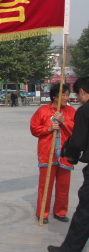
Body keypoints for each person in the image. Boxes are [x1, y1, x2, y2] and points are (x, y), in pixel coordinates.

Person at [48, 76, 89, 252]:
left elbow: (78, 140)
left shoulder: (83, 111)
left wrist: (70, 154)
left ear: (82, 91)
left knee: (85, 211)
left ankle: (70, 251)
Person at [30, 83, 75, 224]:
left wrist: (64, 121)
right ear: (55, 96)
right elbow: (34, 128)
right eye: (65, 95)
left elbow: (77, 131)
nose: (67, 98)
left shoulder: (71, 112)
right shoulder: (43, 111)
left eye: (68, 95)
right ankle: (42, 212)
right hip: (47, 153)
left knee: (63, 185)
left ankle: (60, 211)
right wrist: (48, 129)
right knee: (45, 185)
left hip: (65, 154)